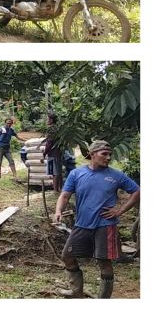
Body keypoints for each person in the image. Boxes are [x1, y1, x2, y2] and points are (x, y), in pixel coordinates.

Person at [54, 140, 139, 300]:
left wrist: (120, 210)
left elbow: (136, 191)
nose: (108, 158)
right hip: (82, 224)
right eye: (104, 154)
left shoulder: (116, 175)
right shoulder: (76, 174)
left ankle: (103, 299)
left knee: (104, 262)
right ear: (92, 154)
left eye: (110, 154)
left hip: (105, 226)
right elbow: (65, 195)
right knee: (67, 256)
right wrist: (58, 211)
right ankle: (76, 292)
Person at [44, 112, 65, 193]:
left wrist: (44, 153)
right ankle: (60, 188)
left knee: (54, 172)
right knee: (58, 171)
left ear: (51, 120)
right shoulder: (58, 128)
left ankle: (55, 190)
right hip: (59, 152)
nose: (47, 120)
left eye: (48, 119)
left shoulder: (51, 129)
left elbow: (49, 143)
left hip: (52, 153)